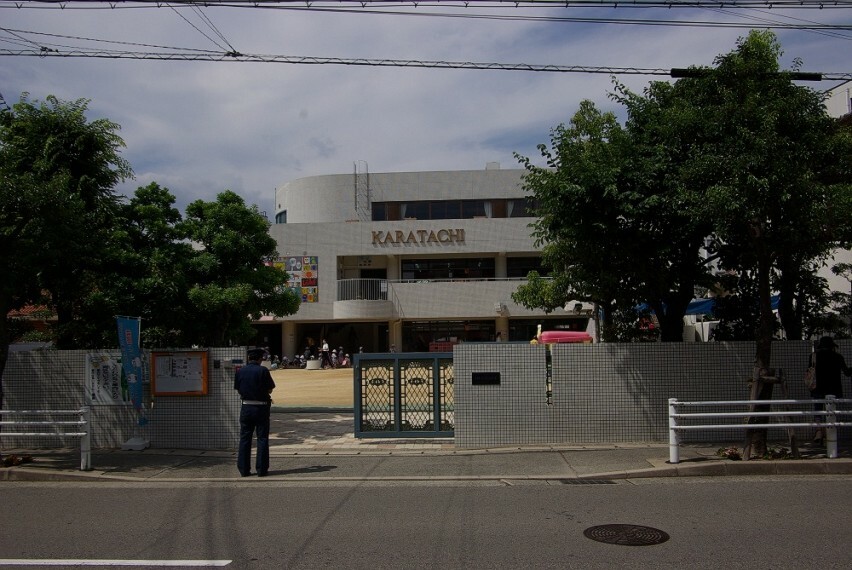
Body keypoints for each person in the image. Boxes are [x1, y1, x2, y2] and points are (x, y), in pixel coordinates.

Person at [233, 347, 276, 477]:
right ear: (259, 359)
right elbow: (270, 388)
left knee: (245, 438)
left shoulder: (240, 371)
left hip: (246, 407)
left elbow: (238, 389)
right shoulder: (263, 371)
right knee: (262, 438)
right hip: (261, 408)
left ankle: (244, 469)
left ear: (248, 358)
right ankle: (261, 470)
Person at [810, 336, 851, 445]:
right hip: (833, 389)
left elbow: (810, 371)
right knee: (831, 412)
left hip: (818, 388)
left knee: (818, 410)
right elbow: (847, 372)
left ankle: (819, 431)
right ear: (832, 345)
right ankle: (830, 435)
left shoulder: (813, 357)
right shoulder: (838, 357)